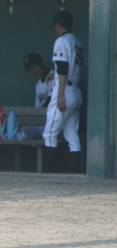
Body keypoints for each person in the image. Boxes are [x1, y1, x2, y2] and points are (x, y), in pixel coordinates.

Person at [43, 11, 83, 173]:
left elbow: (63, 68)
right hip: (75, 91)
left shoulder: (61, 41)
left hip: (64, 90)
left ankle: (47, 175)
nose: (55, 29)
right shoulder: (76, 42)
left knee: (49, 134)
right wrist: (55, 74)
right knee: (72, 135)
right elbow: (67, 69)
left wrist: (60, 95)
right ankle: (75, 175)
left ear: (58, 25)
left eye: (55, 26)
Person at [17, 52, 53, 140]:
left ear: (42, 63)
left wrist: (28, 121)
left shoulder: (54, 76)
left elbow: (51, 103)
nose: (33, 71)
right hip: (42, 123)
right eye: (30, 69)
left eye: (34, 66)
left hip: (54, 123)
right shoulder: (38, 85)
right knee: (23, 131)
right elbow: (37, 109)